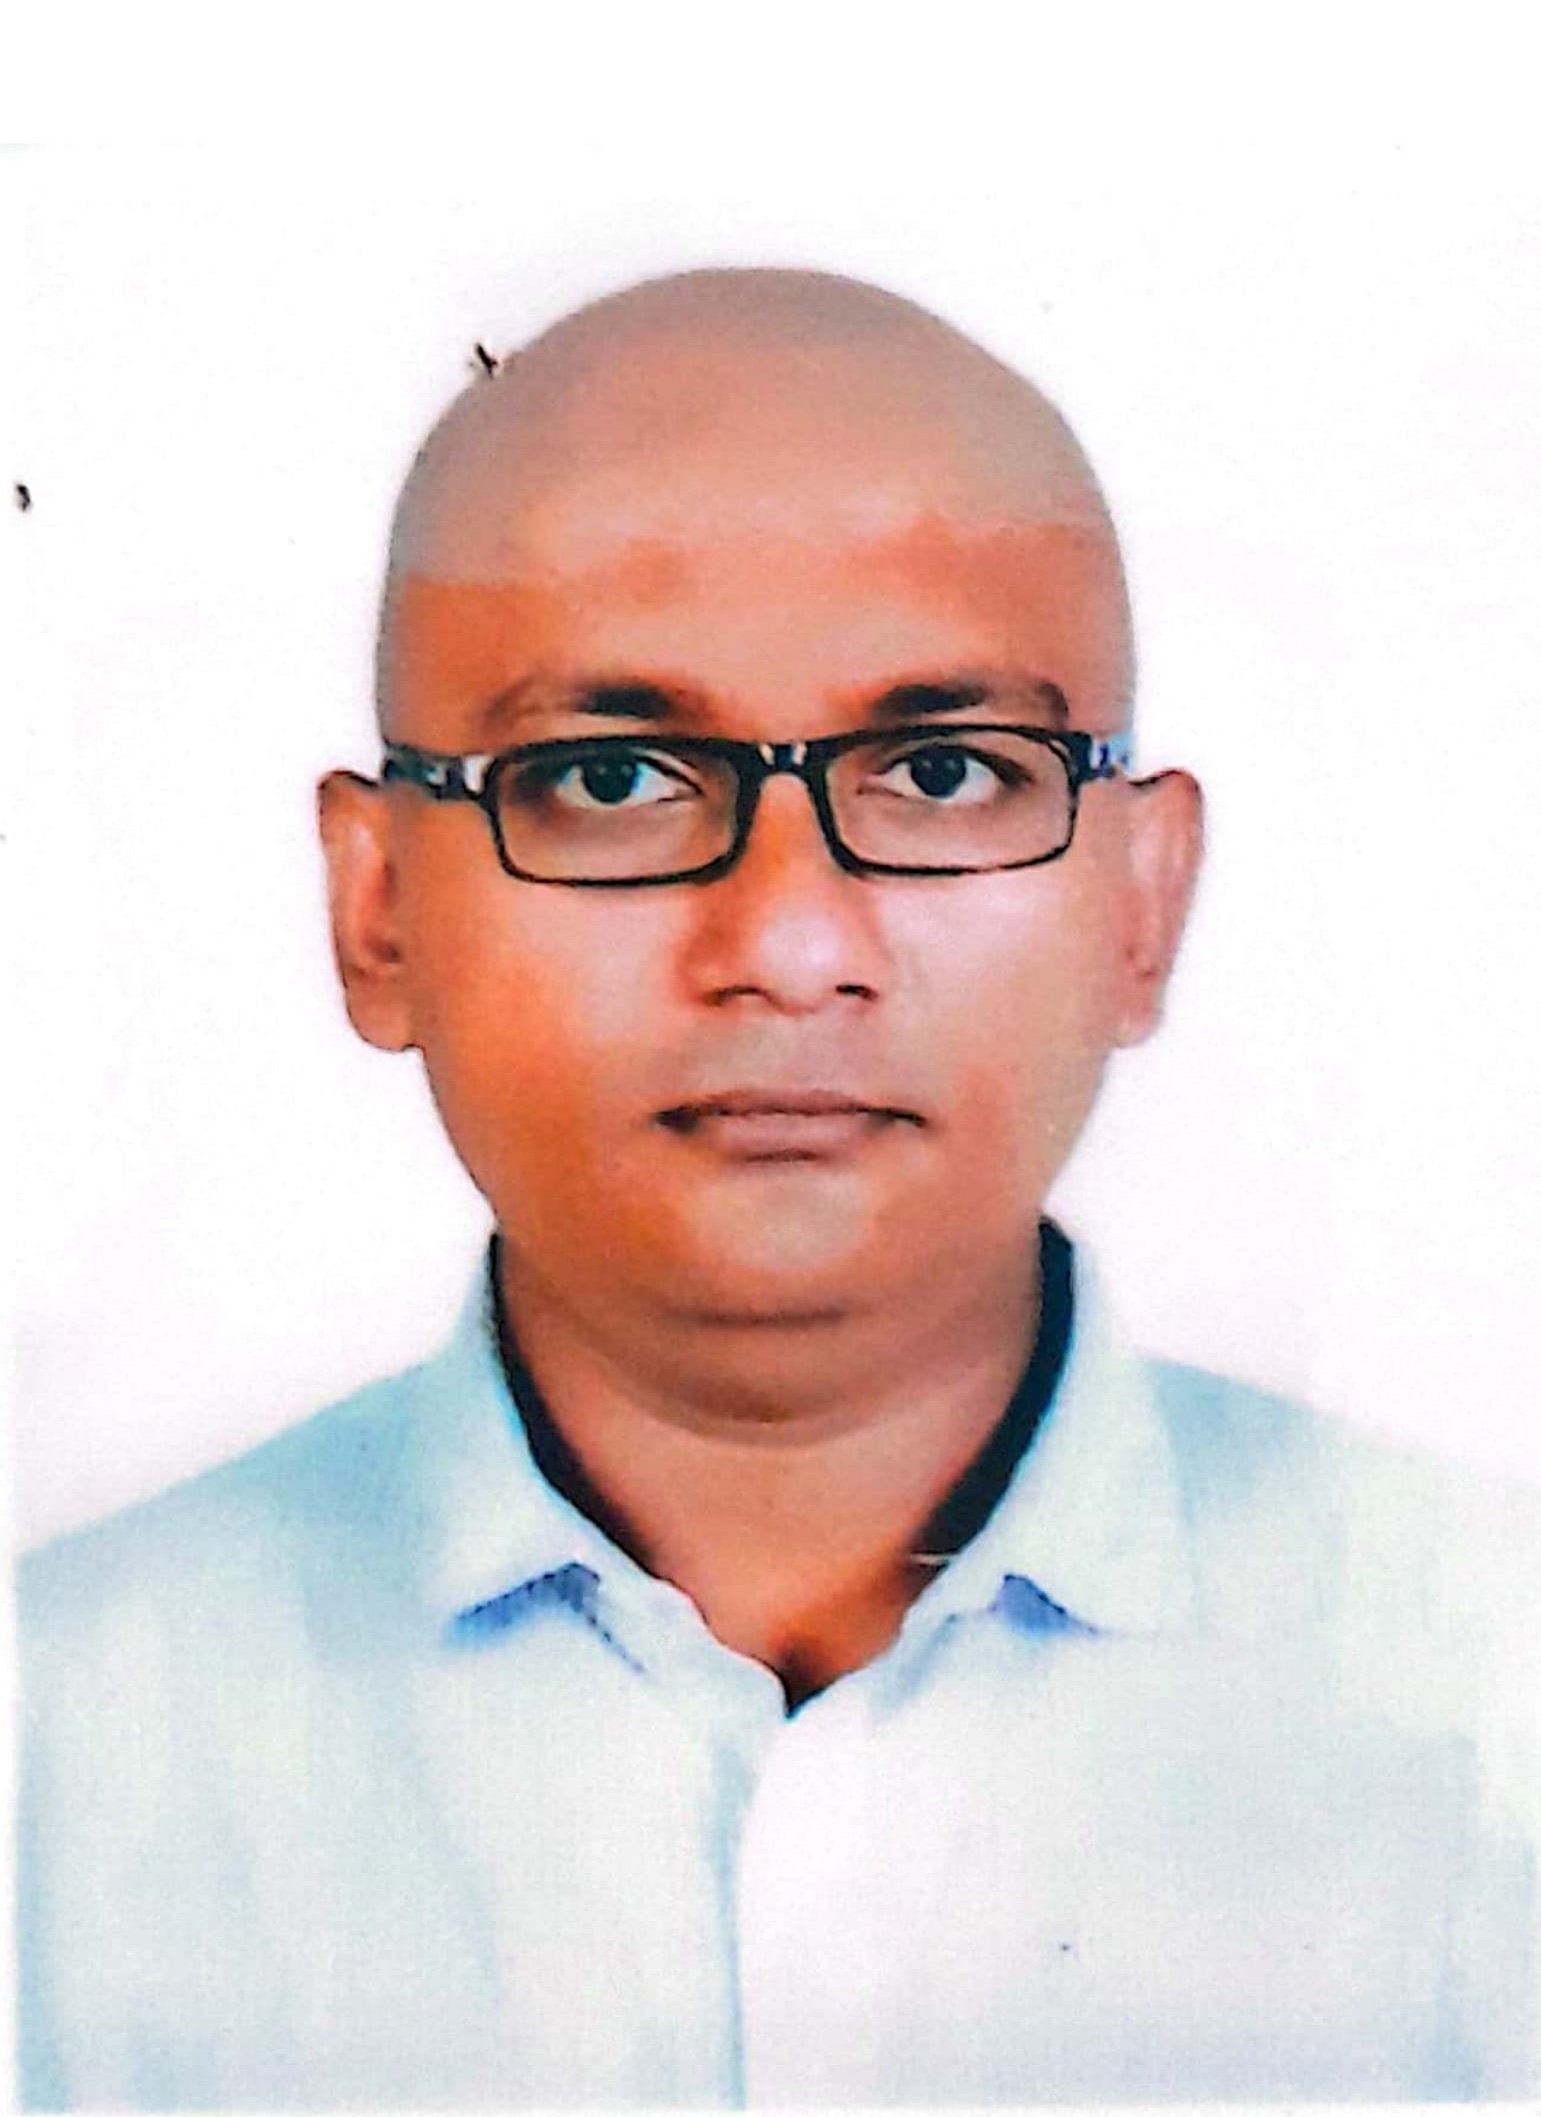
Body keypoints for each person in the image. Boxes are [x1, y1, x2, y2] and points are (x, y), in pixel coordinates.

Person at [17, 268, 1535, 2108]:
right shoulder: (54, 1741)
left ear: (1141, 904)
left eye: (946, 769)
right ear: (378, 905)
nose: (790, 945)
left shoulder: (1496, 1684)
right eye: (609, 777)